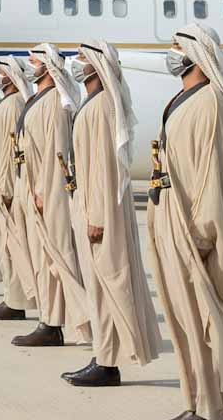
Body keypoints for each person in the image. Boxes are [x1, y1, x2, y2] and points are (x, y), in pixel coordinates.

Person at [146, 24, 223, 420]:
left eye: (176, 47)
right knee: (185, 319)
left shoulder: (210, 103)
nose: (171, 54)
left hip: (194, 230)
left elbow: (210, 172)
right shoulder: (185, 98)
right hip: (173, 220)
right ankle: (197, 402)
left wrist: (202, 231)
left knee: (207, 320)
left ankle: (214, 411)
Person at [61, 41, 162, 387]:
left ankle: (109, 360)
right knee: (98, 288)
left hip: (98, 215)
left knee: (109, 286)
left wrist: (98, 216)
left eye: (82, 59)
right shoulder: (92, 103)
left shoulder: (103, 105)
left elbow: (106, 166)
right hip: (88, 207)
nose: (76, 64)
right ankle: (103, 357)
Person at [13, 44, 90, 348]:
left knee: (54, 257)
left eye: (34, 61)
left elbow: (56, 152)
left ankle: (56, 322)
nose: (30, 66)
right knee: (41, 258)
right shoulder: (39, 99)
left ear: (47, 66)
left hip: (48, 192)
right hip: (33, 189)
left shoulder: (55, 103)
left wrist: (45, 191)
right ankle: (49, 316)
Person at [0, 57, 34, 322]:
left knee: (13, 245)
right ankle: (10, 296)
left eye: (0, 72)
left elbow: (11, 151)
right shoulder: (7, 103)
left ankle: (16, 301)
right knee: (5, 245)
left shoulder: (13, 106)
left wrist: (7, 187)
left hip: (6, 186)